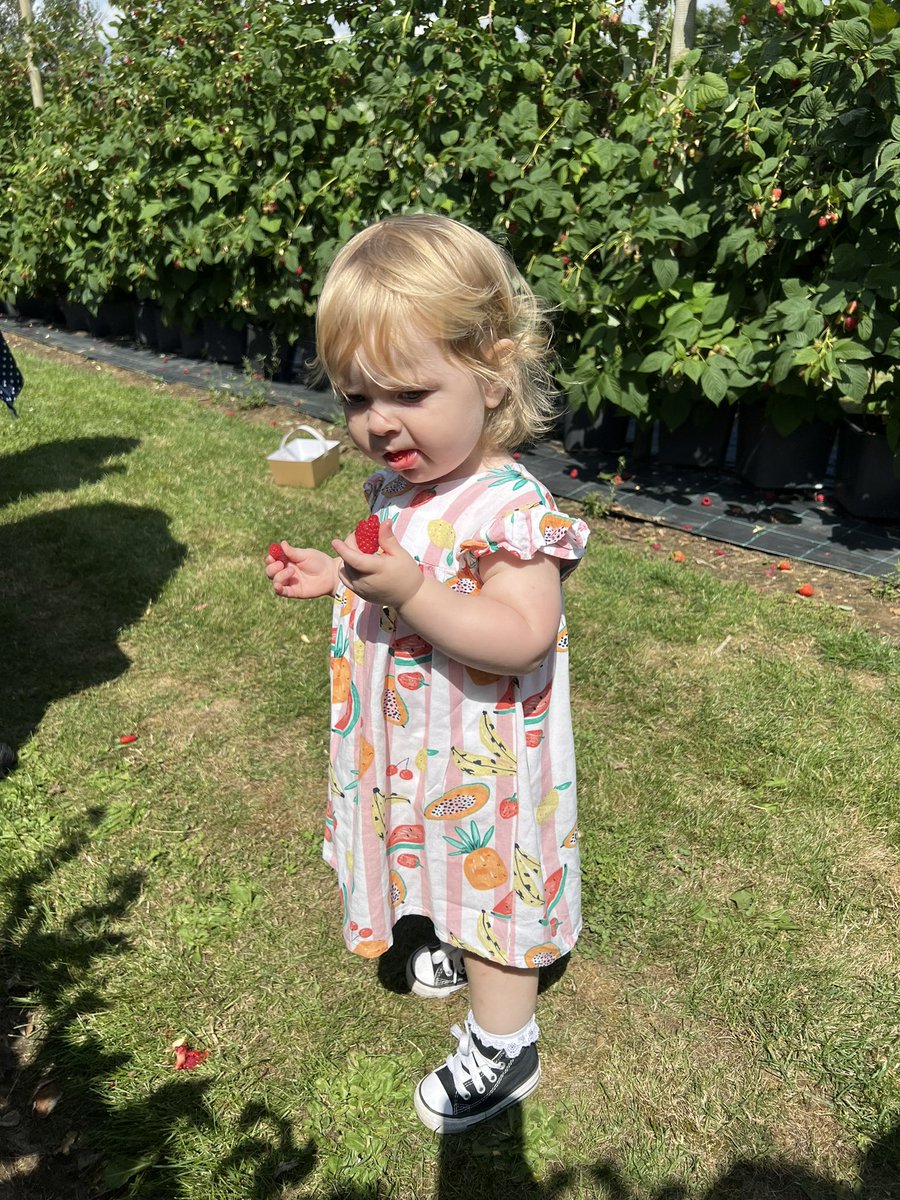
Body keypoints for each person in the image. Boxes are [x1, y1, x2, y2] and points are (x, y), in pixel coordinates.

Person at [266, 214, 588, 1134]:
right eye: (355, 397)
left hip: (482, 759)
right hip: (408, 743)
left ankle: (504, 1043)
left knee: (494, 892)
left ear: (491, 371)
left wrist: (411, 590)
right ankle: (442, 932)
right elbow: (401, 573)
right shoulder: (396, 490)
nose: (377, 423)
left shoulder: (510, 506)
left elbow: (520, 635)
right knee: (425, 849)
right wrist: (338, 578)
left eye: (407, 392)